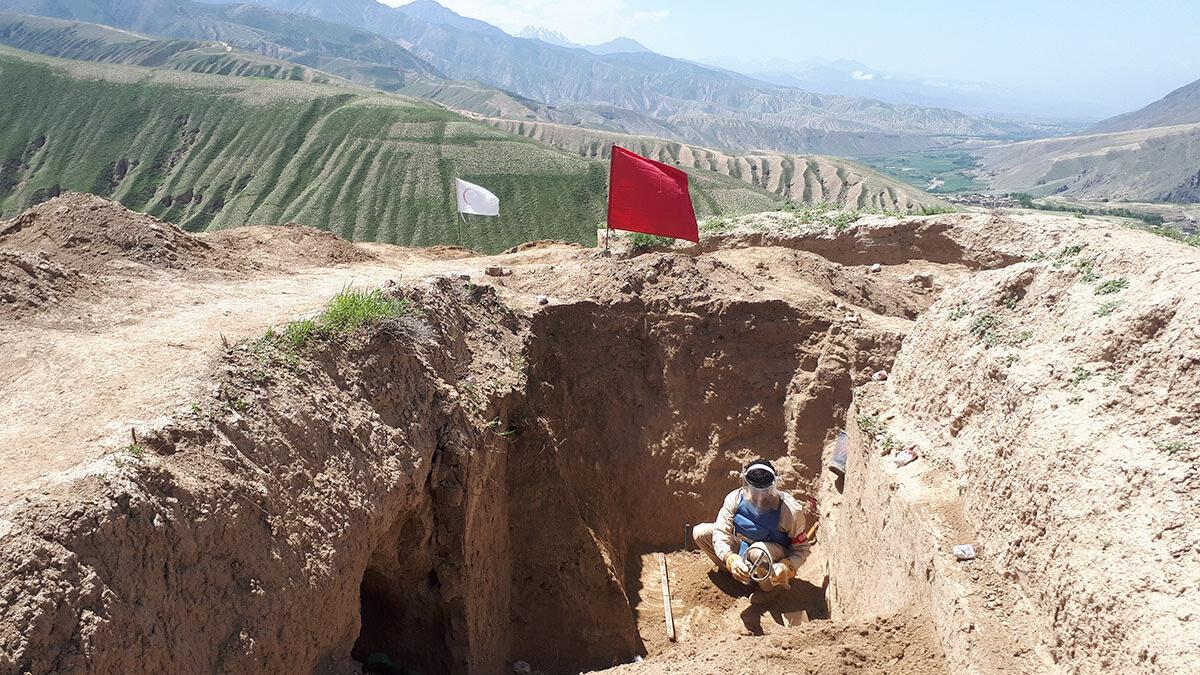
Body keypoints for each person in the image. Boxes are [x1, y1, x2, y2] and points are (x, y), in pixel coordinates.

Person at [693, 459, 811, 592]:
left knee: (757, 551)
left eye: (765, 492)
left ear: (774, 485)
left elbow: (802, 549)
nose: (760, 498)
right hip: (744, 547)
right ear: (745, 484)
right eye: (755, 491)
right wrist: (730, 559)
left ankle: (769, 588)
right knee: (700, 532)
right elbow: (721, 531)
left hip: (772, 556)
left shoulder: (789, 510)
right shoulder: (735, 499)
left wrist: (786, 567)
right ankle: (737, 573)